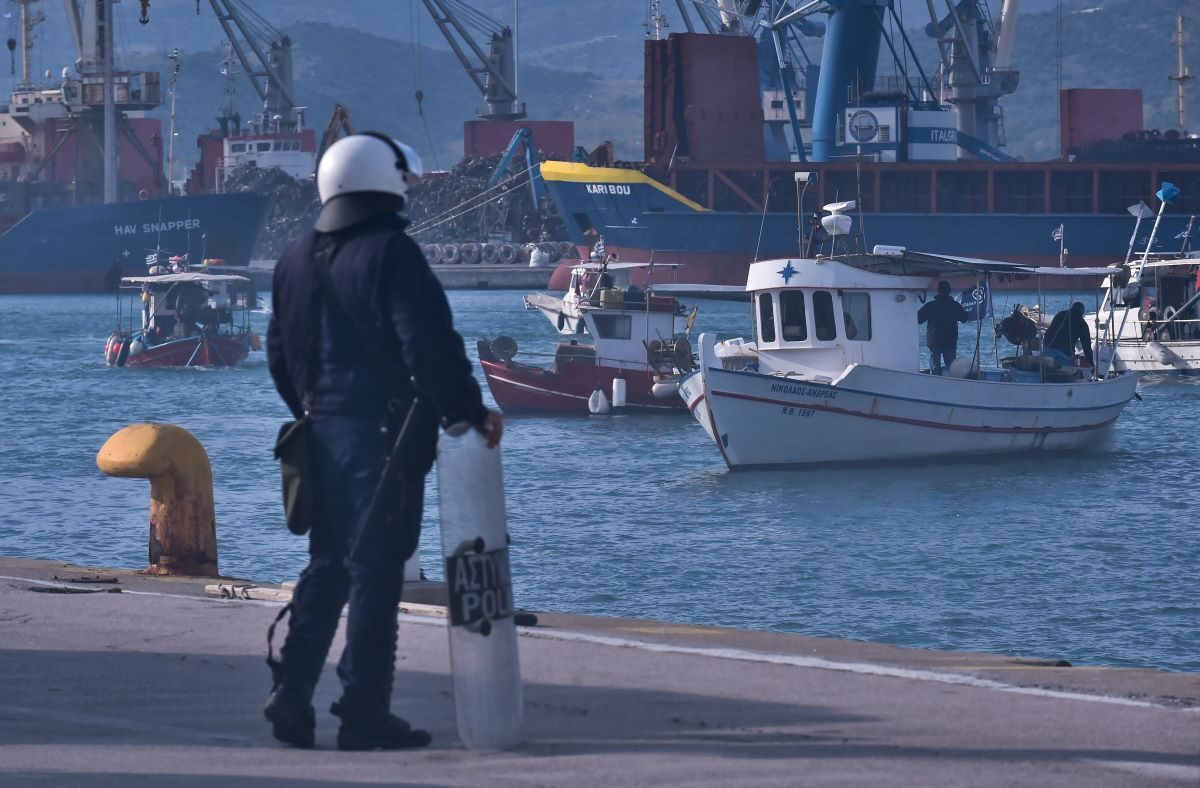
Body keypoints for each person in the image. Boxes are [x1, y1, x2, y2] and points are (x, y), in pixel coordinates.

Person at [265, 132, 503, 751]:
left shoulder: (294, 257)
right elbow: (428, 345)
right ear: (383, 182)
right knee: (375, 571)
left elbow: (278, 354)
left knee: (327, 563)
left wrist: (313, 412)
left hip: (320, 435)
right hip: (382, 440)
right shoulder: (392, 252)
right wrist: (470, 411)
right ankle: (363, 711)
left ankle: (291, 691)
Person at [917, 280, 969, 374]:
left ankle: (935, 381)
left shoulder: (931, 305)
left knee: (935, 368)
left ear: (938, 291)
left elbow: (918, 319)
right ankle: (950, 381)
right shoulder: (954, 305)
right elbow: (964, 318)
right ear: (949, 291)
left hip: (934, 341)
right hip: (950, 341)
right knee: (951, 368)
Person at [1044, 301, 1093, 366]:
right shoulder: (1082, 323)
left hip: (1048, 349)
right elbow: (1086, 346)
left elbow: (1048, 333)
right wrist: (1090, 362)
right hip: (1064, 354)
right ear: (1082, 313)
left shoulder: (1060, 314)